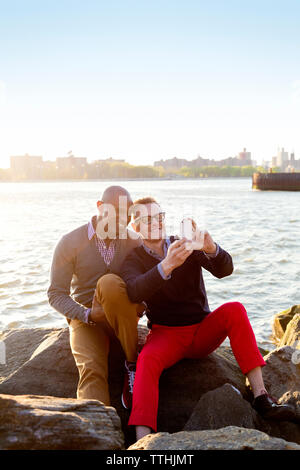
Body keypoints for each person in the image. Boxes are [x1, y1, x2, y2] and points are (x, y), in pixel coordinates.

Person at [120, 196, 295, 442]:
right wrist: (166, 266)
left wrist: (211, 248)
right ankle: (143, 438)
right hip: (165, 334)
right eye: (147, 220)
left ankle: (261, 396)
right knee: (146, 359)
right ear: (136, 227)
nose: (156, 223)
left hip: (202, 330)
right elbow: (134, 291)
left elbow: (225, 270)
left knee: (235, 308)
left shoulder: (184, 244)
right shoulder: (133, 259)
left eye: (159, 217)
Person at [47, 185, 145, 409]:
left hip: (124, 315)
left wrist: (140, 308)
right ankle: (99, 429)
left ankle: (132, 364)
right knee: (91, 368)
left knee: (109, 283)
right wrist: (87, 314)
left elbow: (147, 284)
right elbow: (55, 294)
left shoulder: (134, 241)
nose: (122, 221)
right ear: (100, 207)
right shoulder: (70, 242)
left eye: (127, 215)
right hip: (85, 319)